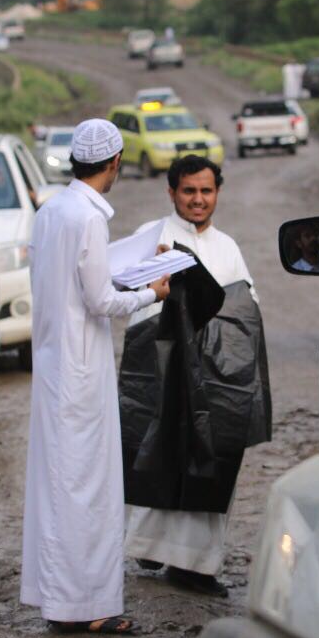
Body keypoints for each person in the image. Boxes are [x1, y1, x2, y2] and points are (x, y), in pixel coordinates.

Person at [20, 118, 170, 636]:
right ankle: (86, 606)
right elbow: (101, 300)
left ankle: (61, 599)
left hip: (54, 365)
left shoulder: (50, 211)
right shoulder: (87, 219)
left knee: (60, 482)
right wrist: (153, 291)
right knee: (86, 485)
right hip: (80, 371)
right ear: (115, 164)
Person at [124, 156, 257, 598]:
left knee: (211, 462)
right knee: (160, 453)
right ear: (172, 193)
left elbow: (246, 309)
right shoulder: (153, 238)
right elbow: (131, 297)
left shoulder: (228, 247)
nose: (198, 200)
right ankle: (152, 548)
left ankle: (196, 566)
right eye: (188, 191)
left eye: (206, 191)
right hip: (165, 372)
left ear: (217, 192)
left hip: (214, 378)